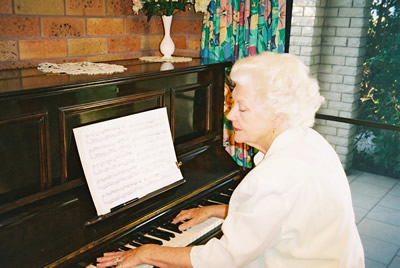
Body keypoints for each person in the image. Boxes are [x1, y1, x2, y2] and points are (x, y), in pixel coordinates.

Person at [97, 52, 365, 268]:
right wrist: (217, 210)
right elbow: (280, 218)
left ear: (278, 116)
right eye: (232, 104)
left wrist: (146, 252)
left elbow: (221, 260)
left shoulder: (277, 174)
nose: (230, 116)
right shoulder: (309, 141)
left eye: (242, 108)